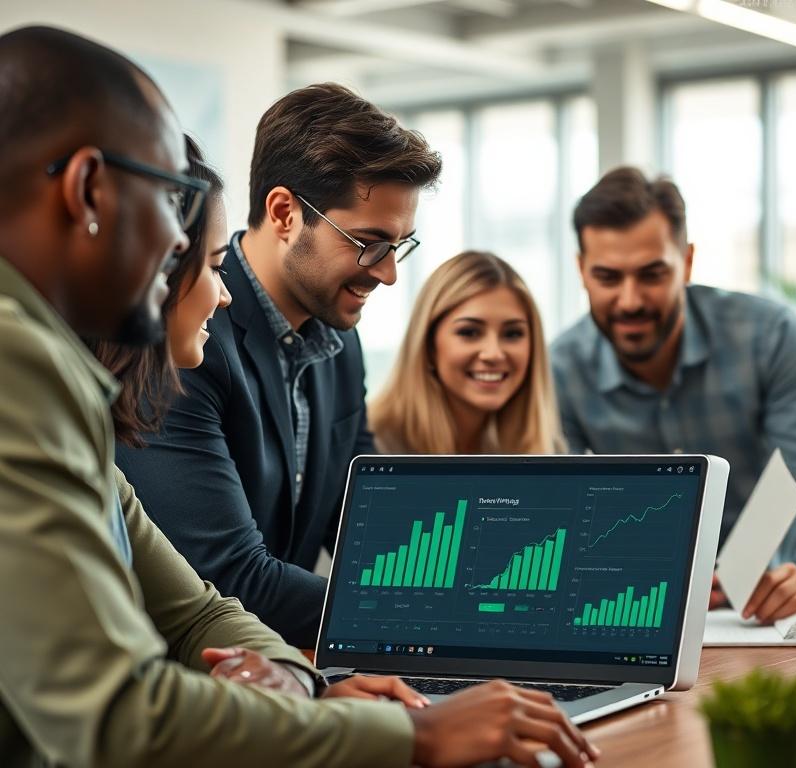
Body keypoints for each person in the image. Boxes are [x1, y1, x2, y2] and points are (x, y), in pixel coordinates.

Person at [0, 26, 599, 768]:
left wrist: (297, 676)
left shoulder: (68, 378)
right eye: (171, 200)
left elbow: (204, 612)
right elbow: (130, 704)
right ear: (88, 189)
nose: (181, 248)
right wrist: (423, 714)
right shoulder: (31, 362)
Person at [117, 82, 442, 647]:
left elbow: (370, 525)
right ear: (285, 213)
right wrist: (441, 618)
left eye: (400, 245)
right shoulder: (184, 340)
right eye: (369, 242)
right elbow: (232, 577)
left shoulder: (340, 334)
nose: (388, 273)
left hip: (280, 663)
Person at [551, 167, 796, 624]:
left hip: (769, 609)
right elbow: (563, 517)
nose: (630, 300)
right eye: (608, 277)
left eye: (652, 274)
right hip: (638, 612)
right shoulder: (561, 368)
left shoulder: (771, 334)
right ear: (581, 271)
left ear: (687, 261)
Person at [369, 250, 564, 454]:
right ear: (428, 345)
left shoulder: (545, 449)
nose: (494, 353)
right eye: (469, 332)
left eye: (513, 334)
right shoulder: (371, 445)